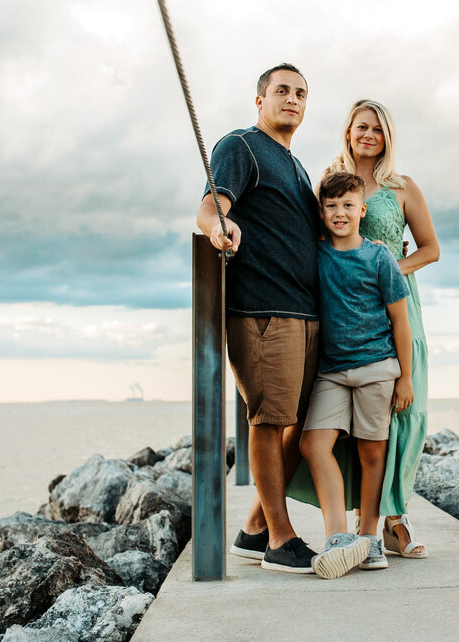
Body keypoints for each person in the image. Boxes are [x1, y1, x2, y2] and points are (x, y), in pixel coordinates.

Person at [195, 63, 322, 574]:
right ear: (260, 100)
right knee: (269, 422)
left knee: (305, 422)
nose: (292, 99)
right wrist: (216, 228)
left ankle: (253, 529)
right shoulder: (241, 147)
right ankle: (280, 538)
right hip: (264, 311)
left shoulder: (296, 164)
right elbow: (210, 208)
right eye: (282, 91)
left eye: (301, 93)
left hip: (307, 312)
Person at [329, 99, 439, 558]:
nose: (368, 134)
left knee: (404, 408)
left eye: (376, 128)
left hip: (398, 305)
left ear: (387, 135)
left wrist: (392, 265)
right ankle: (367, 517)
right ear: (349, 132)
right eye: (361, 127)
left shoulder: (402, 186)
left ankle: (396, 516)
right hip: (350, 306)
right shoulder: (335, 183)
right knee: (356, 415)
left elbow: (430, 248)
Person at [302, 171, 414, 579]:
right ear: (321, 211)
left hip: (377, 367)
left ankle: (369, 537)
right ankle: (338, 538)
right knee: (314, 445)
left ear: (362, 210)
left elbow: (400, 320)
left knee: (372, 453)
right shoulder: (315, 253)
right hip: (331, 371)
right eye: (331, 206)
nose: (339, 213)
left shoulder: (380, 256)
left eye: (348, 205)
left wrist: (406, 377)